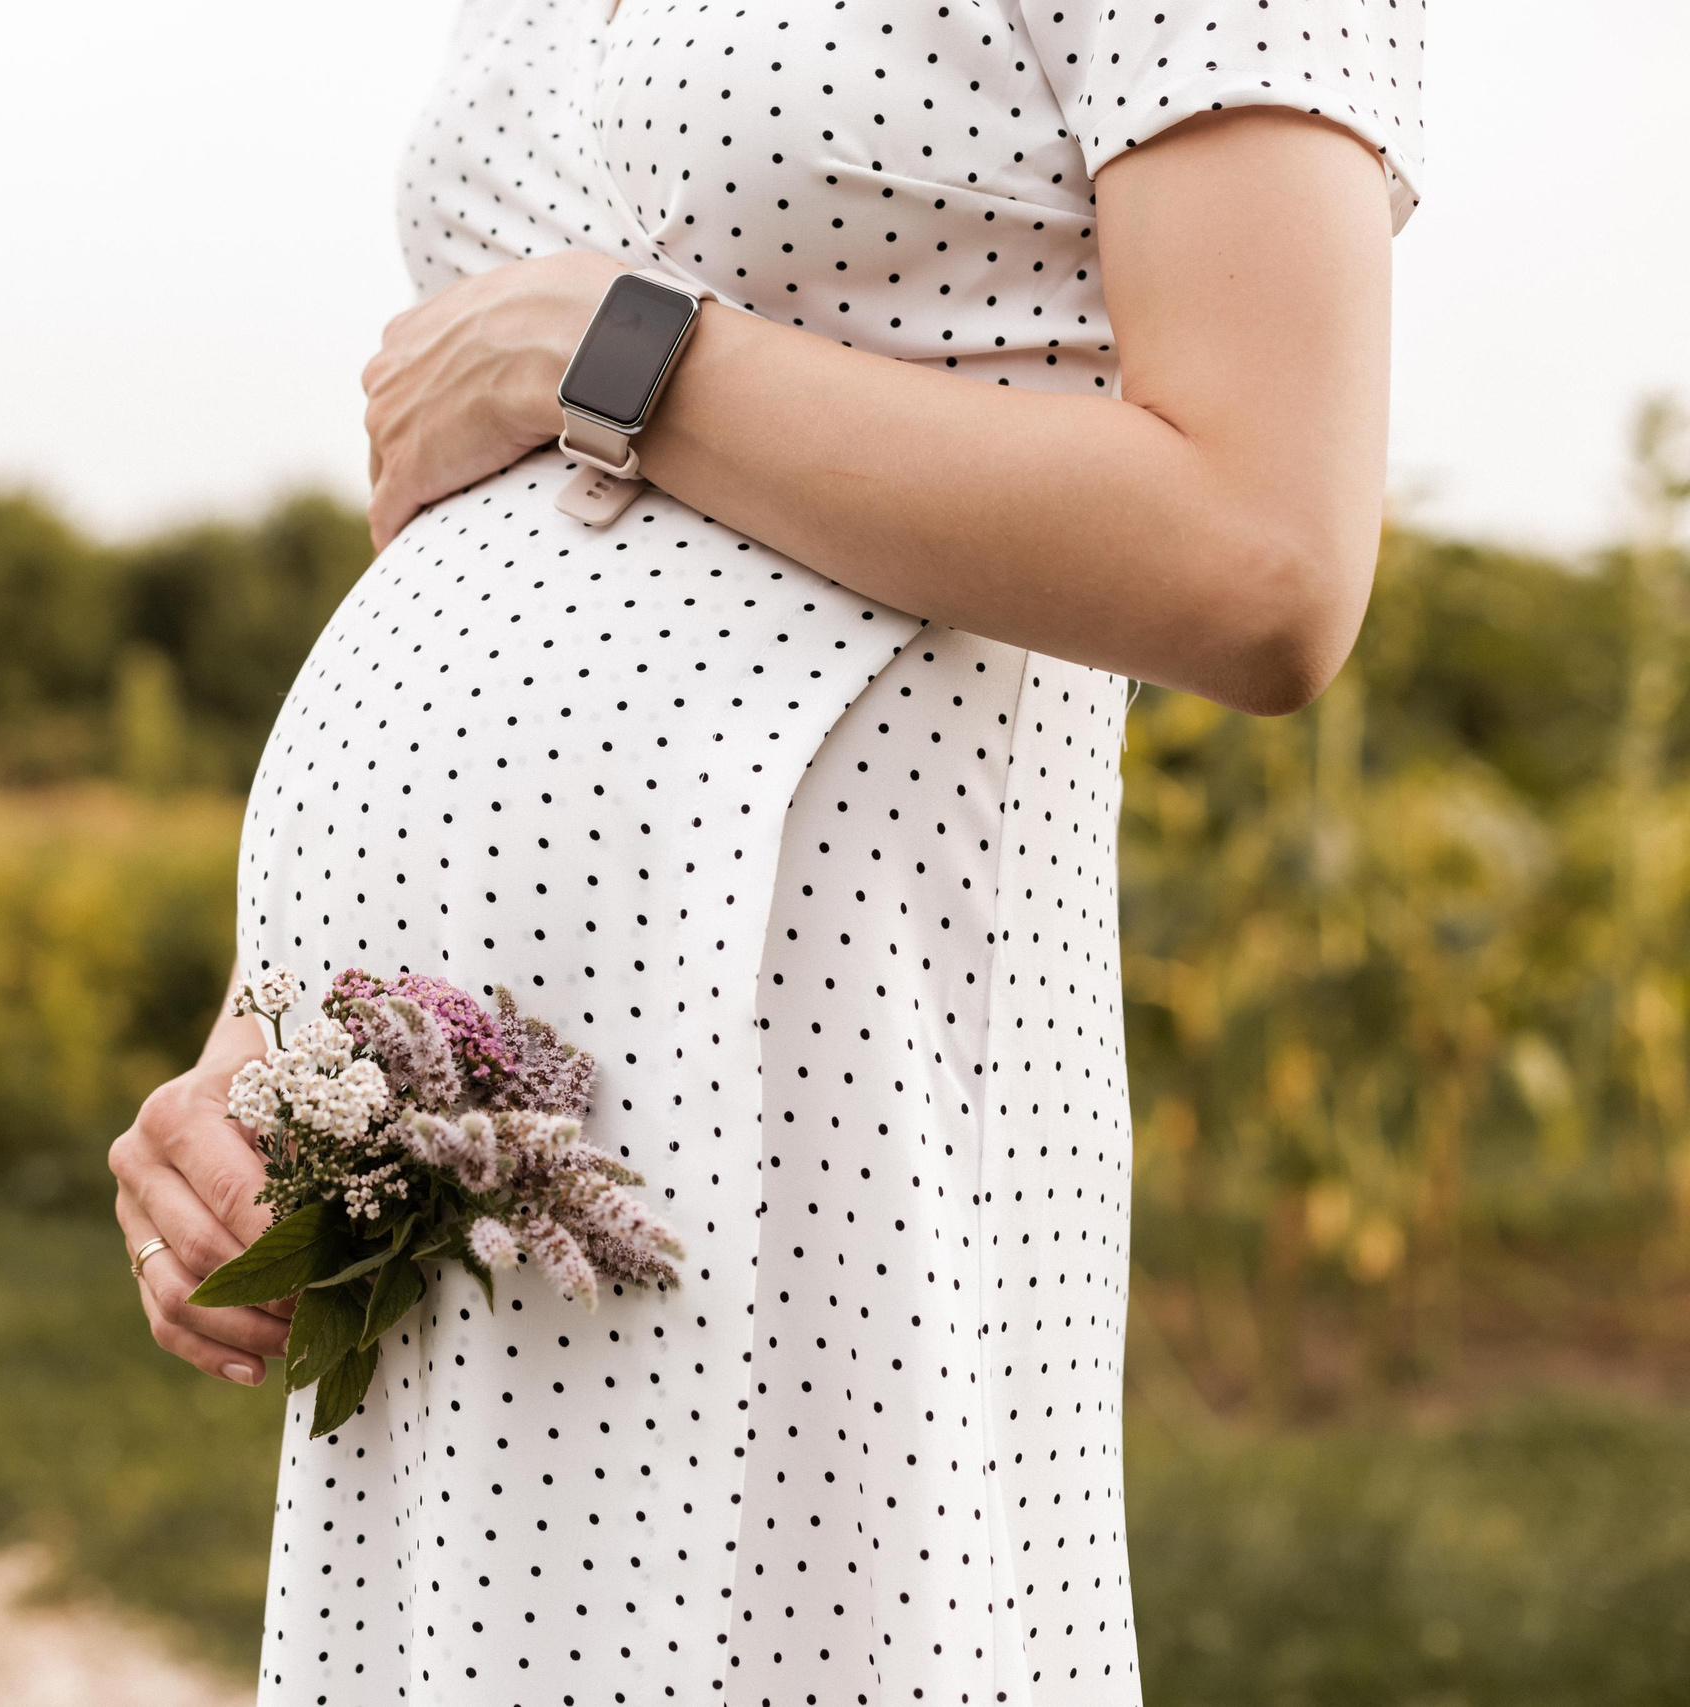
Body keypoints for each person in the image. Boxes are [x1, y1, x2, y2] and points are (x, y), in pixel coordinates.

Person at [110, 1, 1421, 1700]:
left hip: (806, 1098)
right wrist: (272, 1036)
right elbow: (493, 522)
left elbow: (1263, 560)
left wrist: (618, 351)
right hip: (432, 1123)